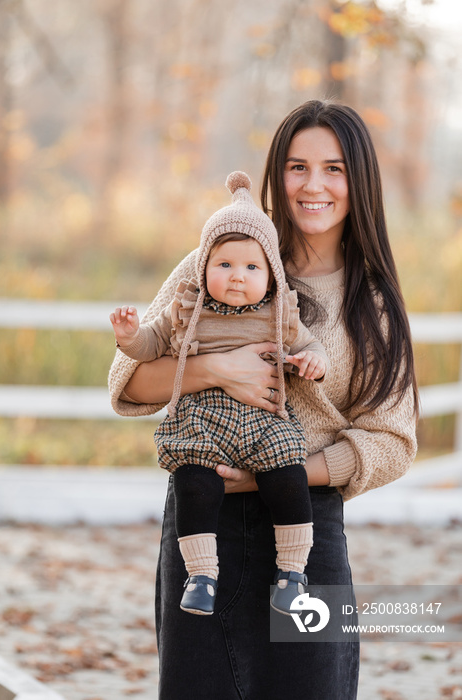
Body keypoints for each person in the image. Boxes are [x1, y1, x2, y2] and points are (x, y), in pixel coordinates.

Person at [108, 100, 418, 700]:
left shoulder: (372, 300)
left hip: (305, 532)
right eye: (297, 167)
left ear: (359, 181)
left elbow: (392, 440)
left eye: (333, 169)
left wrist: (282, 474)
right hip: (204, 524)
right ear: (276, 175)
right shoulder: (219, 260)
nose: (313, 186)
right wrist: (218, 368)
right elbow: (130, 382)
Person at [110, 171, 329, 616]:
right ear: (203, 266)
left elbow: (309, 346)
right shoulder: (187, 308)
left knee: (288, 475)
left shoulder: (281, 313)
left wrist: (314, 362)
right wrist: (130, 337)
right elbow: (148, 347)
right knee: (193, 483)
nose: (236, 277)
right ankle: (201, 575)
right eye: (224, 265)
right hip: (202, 422)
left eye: (251, 267)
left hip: (265, 422)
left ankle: (291, 572)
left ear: (270, 274)